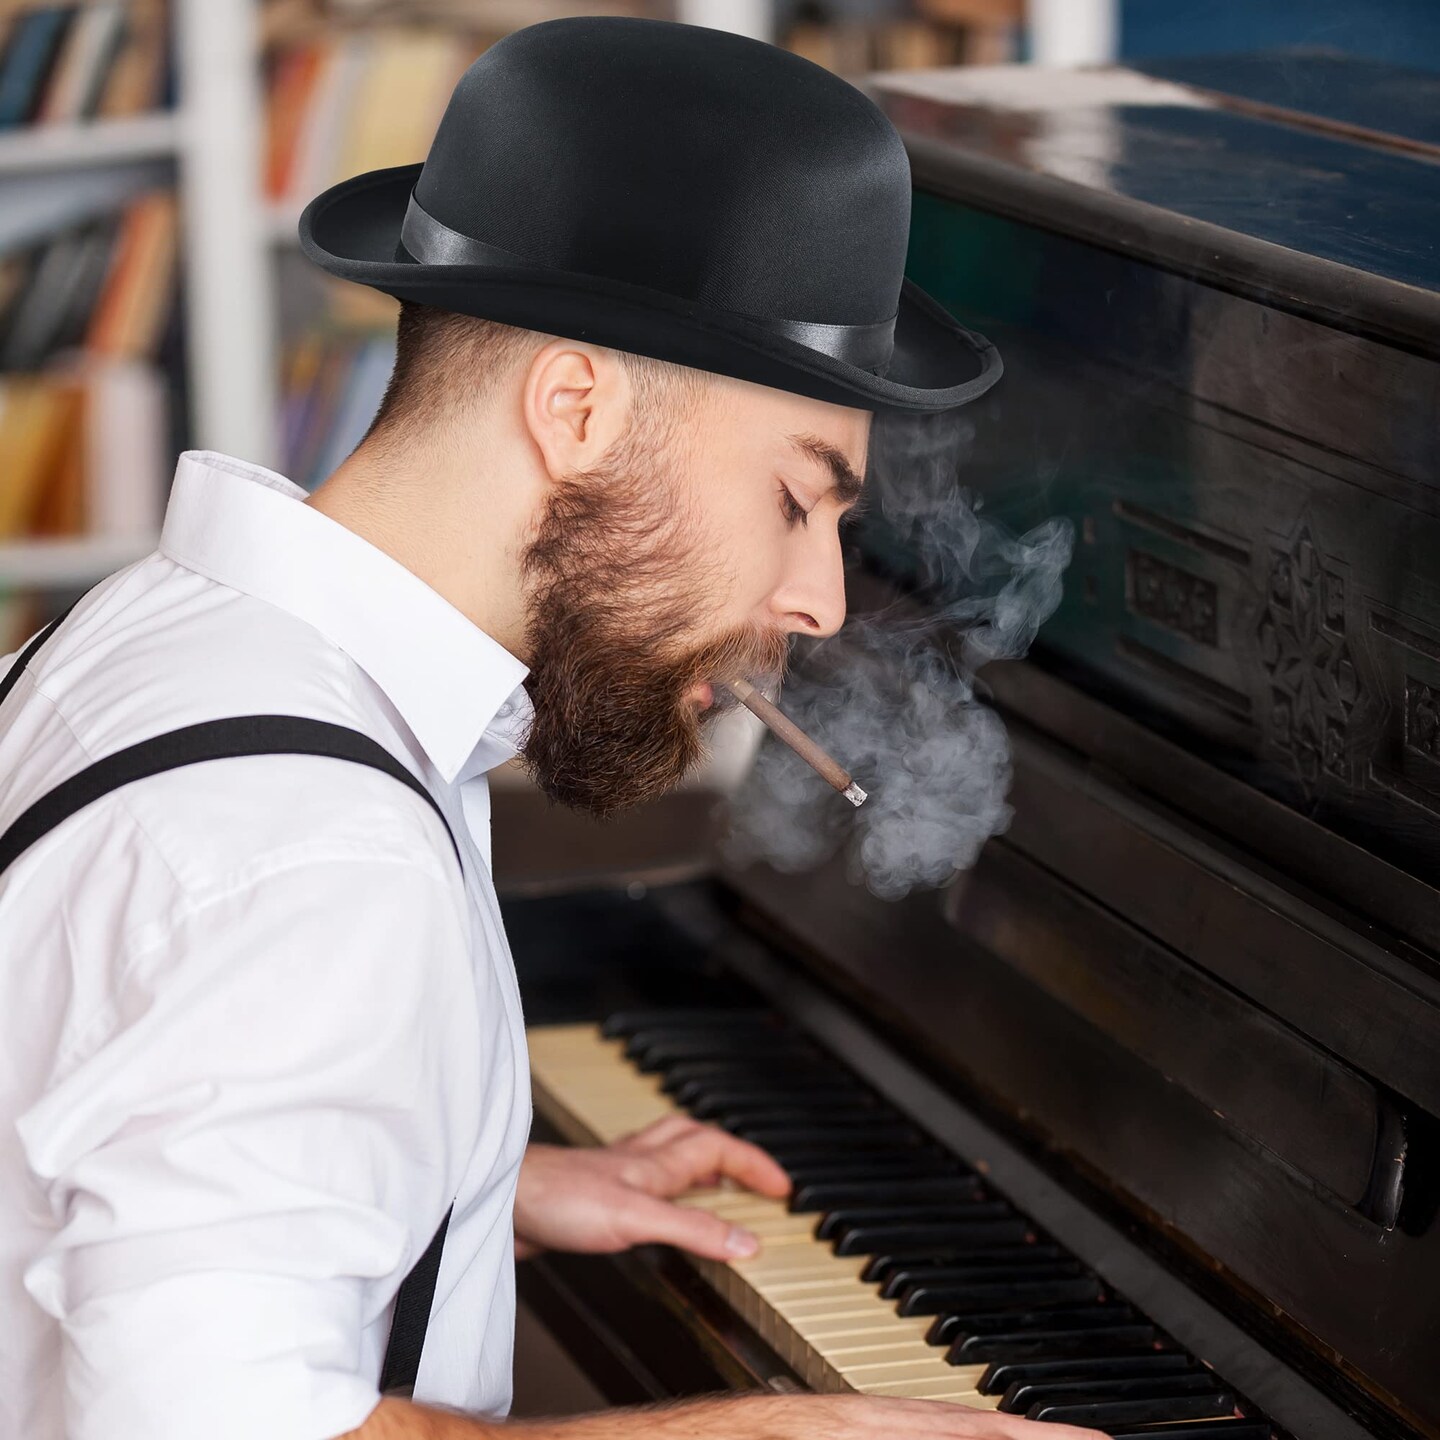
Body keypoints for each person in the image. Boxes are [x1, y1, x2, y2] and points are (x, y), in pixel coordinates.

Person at [0, 16, 1097, 1440]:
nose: (821, 598)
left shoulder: (147, 636)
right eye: (796, 495)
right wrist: (764, 1433)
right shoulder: (318, 860)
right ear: (578, 406)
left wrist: (457, 1186)